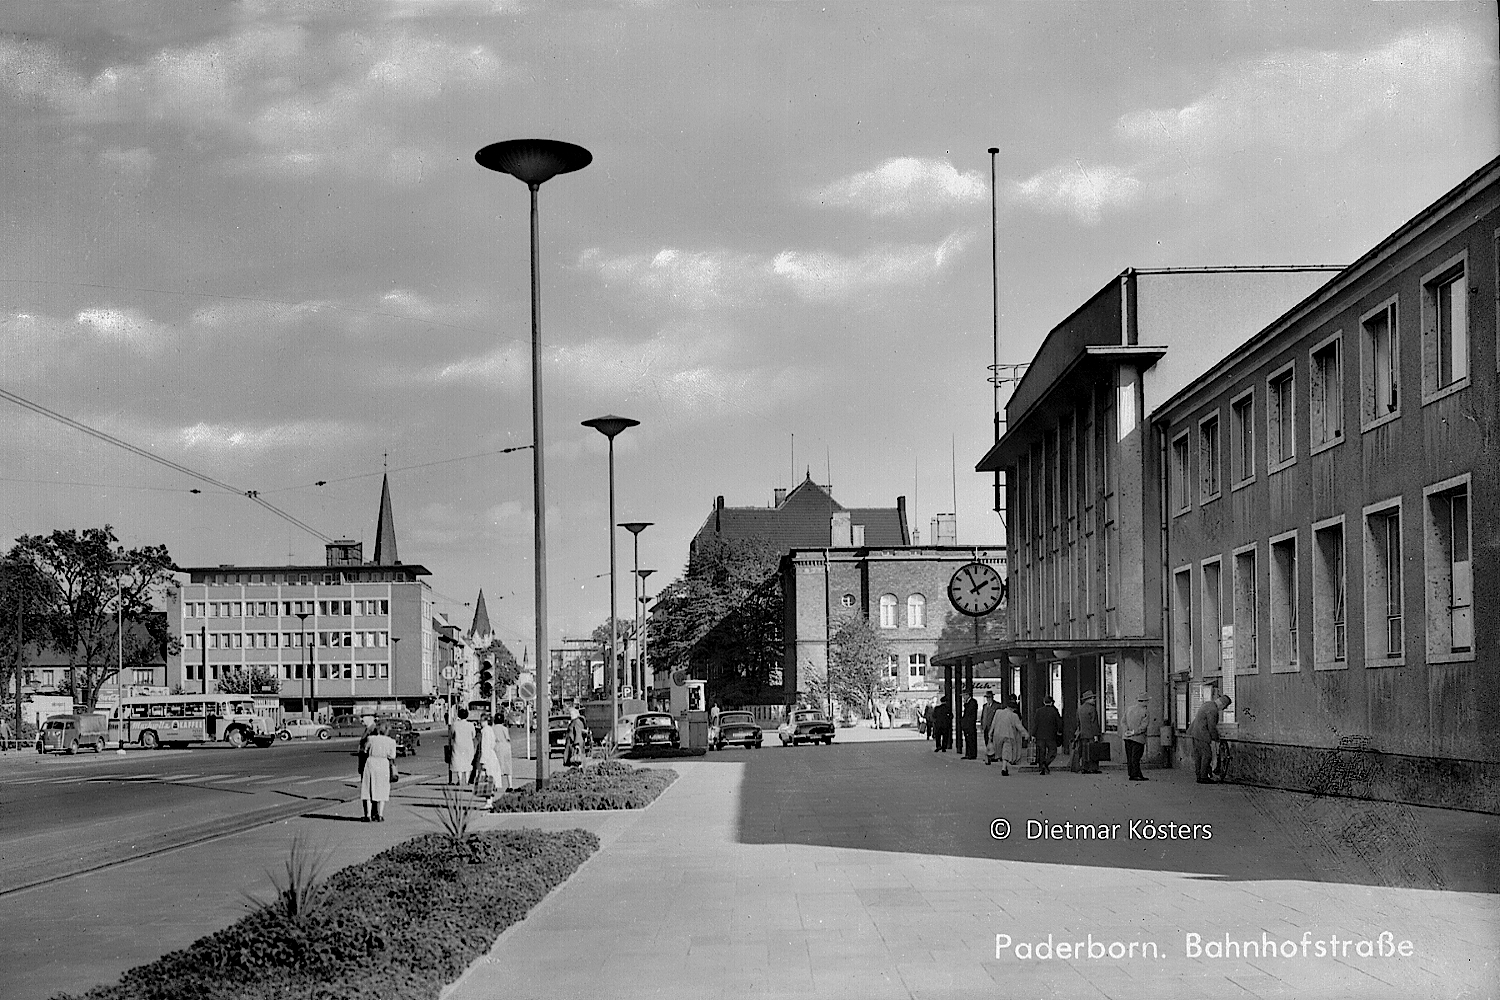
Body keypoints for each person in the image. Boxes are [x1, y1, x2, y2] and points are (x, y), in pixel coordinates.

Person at [358, 722, 398, 822]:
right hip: (383, 764)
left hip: (371, 762)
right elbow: (392, 756)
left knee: (368, 789)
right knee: (382, 789)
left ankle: (368, 815)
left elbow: (365, 750)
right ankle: (380, 815)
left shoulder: (371, 739)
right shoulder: (391, 741)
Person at [1187, 694, 1230, 783]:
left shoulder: (1207, 704)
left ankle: (1199, 776)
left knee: (1198, 756)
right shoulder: (1213, 710)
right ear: (1222, 704)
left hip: (1195, 733)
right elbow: (1211, 727)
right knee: (1207, 755)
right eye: (1225, 707)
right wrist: (1216, 738)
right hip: (1202, 734)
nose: (1224, 709)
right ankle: (1203, 777)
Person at [989, 697, 1029, 776]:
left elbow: (993, 723)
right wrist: (1026, 734)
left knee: (1001, 751)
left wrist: (990, 733)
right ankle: (1004, 768)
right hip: (1008, 735)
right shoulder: (1013, 715)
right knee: (1006, 751)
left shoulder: (998, 712)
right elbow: (1019, 726)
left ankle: (1004, 766)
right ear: (1013, 709)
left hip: (997, 735)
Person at [473, 716, 504, 808]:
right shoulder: (490, 730)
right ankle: (489, 801)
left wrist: (483, 761)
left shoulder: (485, 731)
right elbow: (493, 744)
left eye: (481, 721)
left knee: (486, 780)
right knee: (489, 780)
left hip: (487, 758)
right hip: (492, 756)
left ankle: (489, 802)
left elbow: (484, 747)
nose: (480, 722)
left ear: (486, 721)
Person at [1032, 695, 1064, 775]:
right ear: (1052, 702)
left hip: (1040, 735)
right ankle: (1046, 764)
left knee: (1041, 752)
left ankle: (1041, 768)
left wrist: (1033, 734)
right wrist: (1059, 732)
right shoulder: (1054, 711)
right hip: (1051, 735)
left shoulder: (1038, 711)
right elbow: (1059, 723)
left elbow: (1035, 724)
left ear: (1044, 702)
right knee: (1052, 751)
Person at [1072, 691, 1102, 774]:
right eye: (1092, 698)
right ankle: (1093, 768)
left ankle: (1085, 767)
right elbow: (1094, 723)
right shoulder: (1092, 709)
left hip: (1082, 734)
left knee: (1085, 751)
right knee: (1093, 751)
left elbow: (1078, 722)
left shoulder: (1080, 708)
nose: (1094, 699)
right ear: (1088, 699)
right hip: (1091, 734)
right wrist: (1096, 735)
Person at [1123, 692, 1151, 781]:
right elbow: (1143, 727)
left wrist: (1126, 731)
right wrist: (1134, 732)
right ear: (1144, 701)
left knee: (1130, 757)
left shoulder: (1129, 709)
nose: (1147, 703)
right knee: (1136, 757)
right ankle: (1136, 774)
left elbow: (1123, 721)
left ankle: (1132, 774)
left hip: (1127, 737)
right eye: (1147, 701)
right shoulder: (1145, 712)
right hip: (1138, 738)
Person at [448, 708, 474, 786]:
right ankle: (467, 780)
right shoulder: (470, 725)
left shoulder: (455, 724)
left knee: (458, 762)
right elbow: (473, 735)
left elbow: (451, 735)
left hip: (458, 745)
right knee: (467, 762)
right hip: (468, 745)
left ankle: (459, 779)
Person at [979, 691, 1000, 764]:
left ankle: (994, 756)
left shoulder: (996, 705)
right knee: (986, 741)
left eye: (989, 697)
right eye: (987, 697)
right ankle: (989, 755)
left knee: (993, 741)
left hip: (993, 727)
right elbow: (983, 716)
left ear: (992, 697)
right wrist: (982, 725)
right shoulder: (985, 706)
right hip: (986, 727)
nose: (988, 699)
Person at [960, 692, 979, 760]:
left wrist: (965, 704)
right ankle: (968, 753)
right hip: (966, 725)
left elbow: (970, 713)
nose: (963, 697)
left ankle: (972, 754)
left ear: (968, 695)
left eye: (964, 695)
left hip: (970, 725)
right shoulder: (968, 703)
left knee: (971, 739)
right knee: (967, 740)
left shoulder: (972, 702)